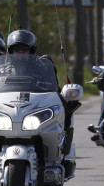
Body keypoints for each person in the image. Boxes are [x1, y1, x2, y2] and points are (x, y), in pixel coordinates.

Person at [6, 29, 78, 178]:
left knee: (67, 113)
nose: (20, 53)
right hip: (9, 110)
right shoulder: (1, 69)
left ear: (31, 51)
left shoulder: (43, 66)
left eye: (24, 50)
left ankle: (62, 155)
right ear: (10, 51)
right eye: (16, 50)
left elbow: (53, 88)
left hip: (35, 107)